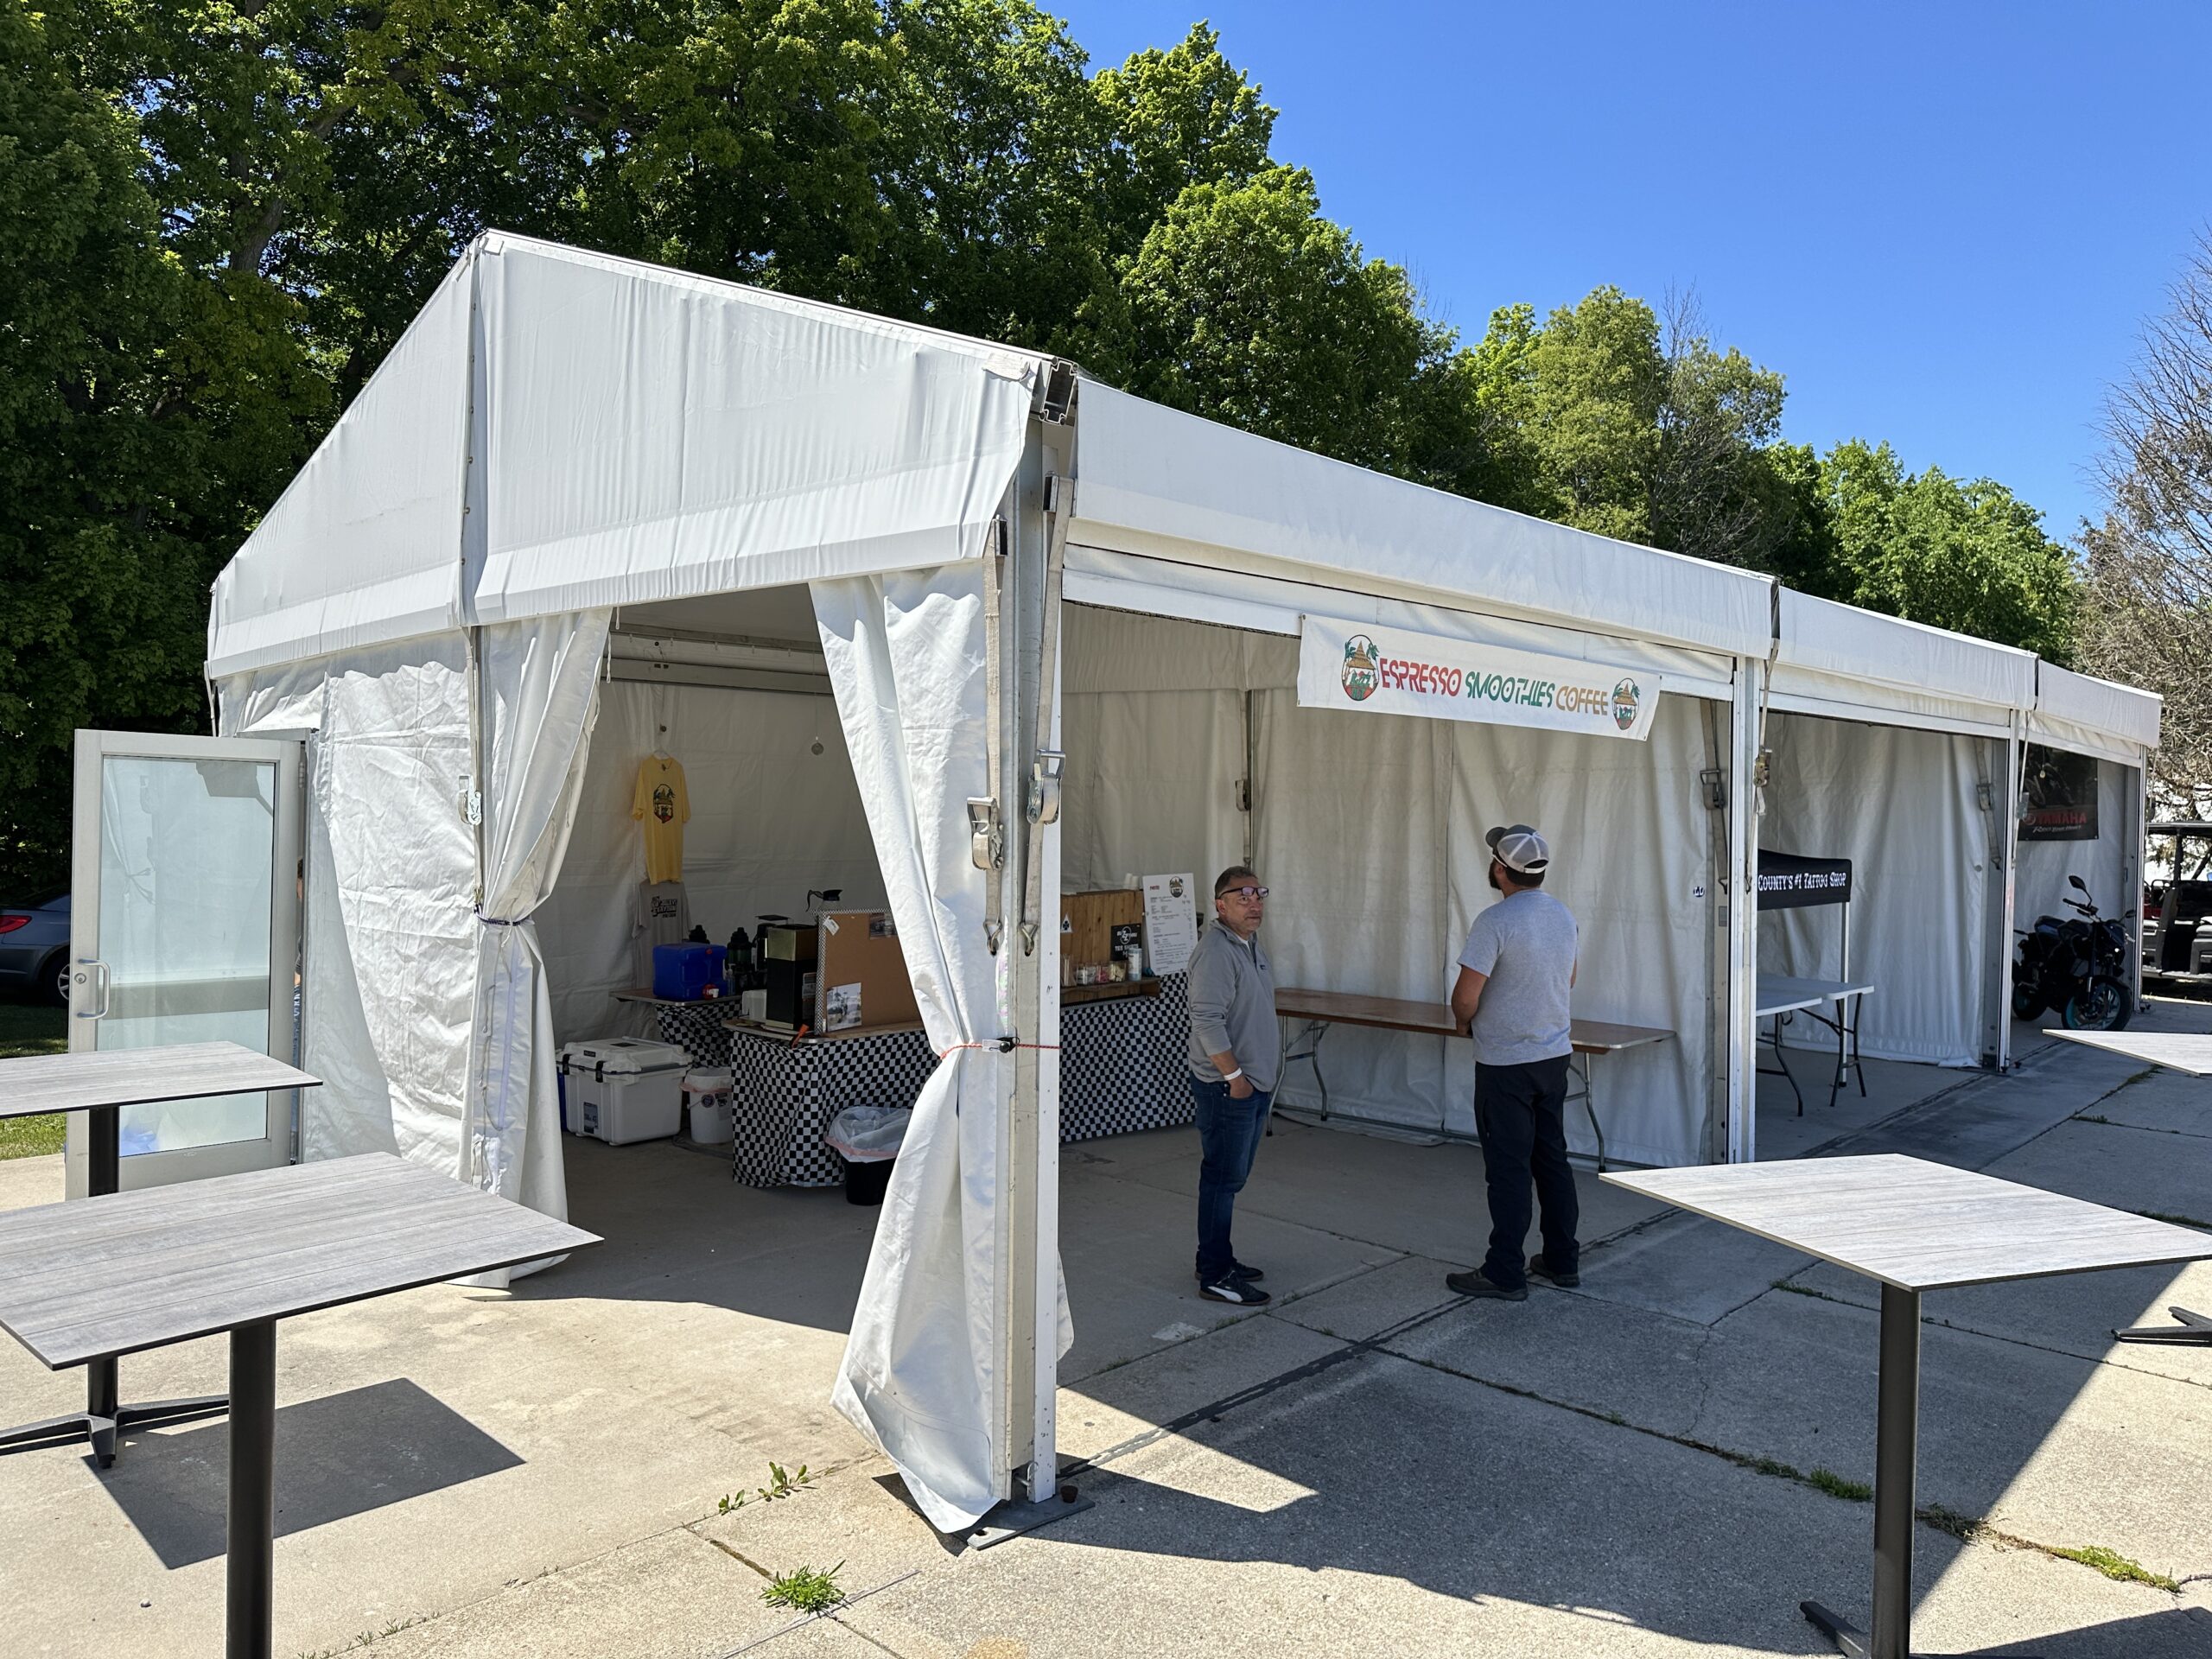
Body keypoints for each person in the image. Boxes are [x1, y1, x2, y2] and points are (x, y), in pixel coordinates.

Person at [1446, 824, 1581, 1301]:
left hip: (1506, 1062)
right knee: (1552, 1161)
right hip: (1553, 1055)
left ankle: (1505, 1270)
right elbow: (1569, 978)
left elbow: (1466, 996)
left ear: (1501, 869)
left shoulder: (1495, 921)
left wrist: (1465, 1025)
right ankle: (1563, 1259)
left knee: (1507, 1168)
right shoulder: (1563, 916)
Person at [1185, 865, 1280, 1304]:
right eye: (1242, 895)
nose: (1254, 902)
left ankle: (1217, 1257)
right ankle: (1216, 1274)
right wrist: (1235, 1079)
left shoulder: (1249, 944)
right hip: (1229, 1089)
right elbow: (1206, 1020)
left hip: (1251, 1085)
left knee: (1231, 1178)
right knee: (1222, 1180)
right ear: (1220, 905)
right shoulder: (1217, 951)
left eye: (1259, 893)